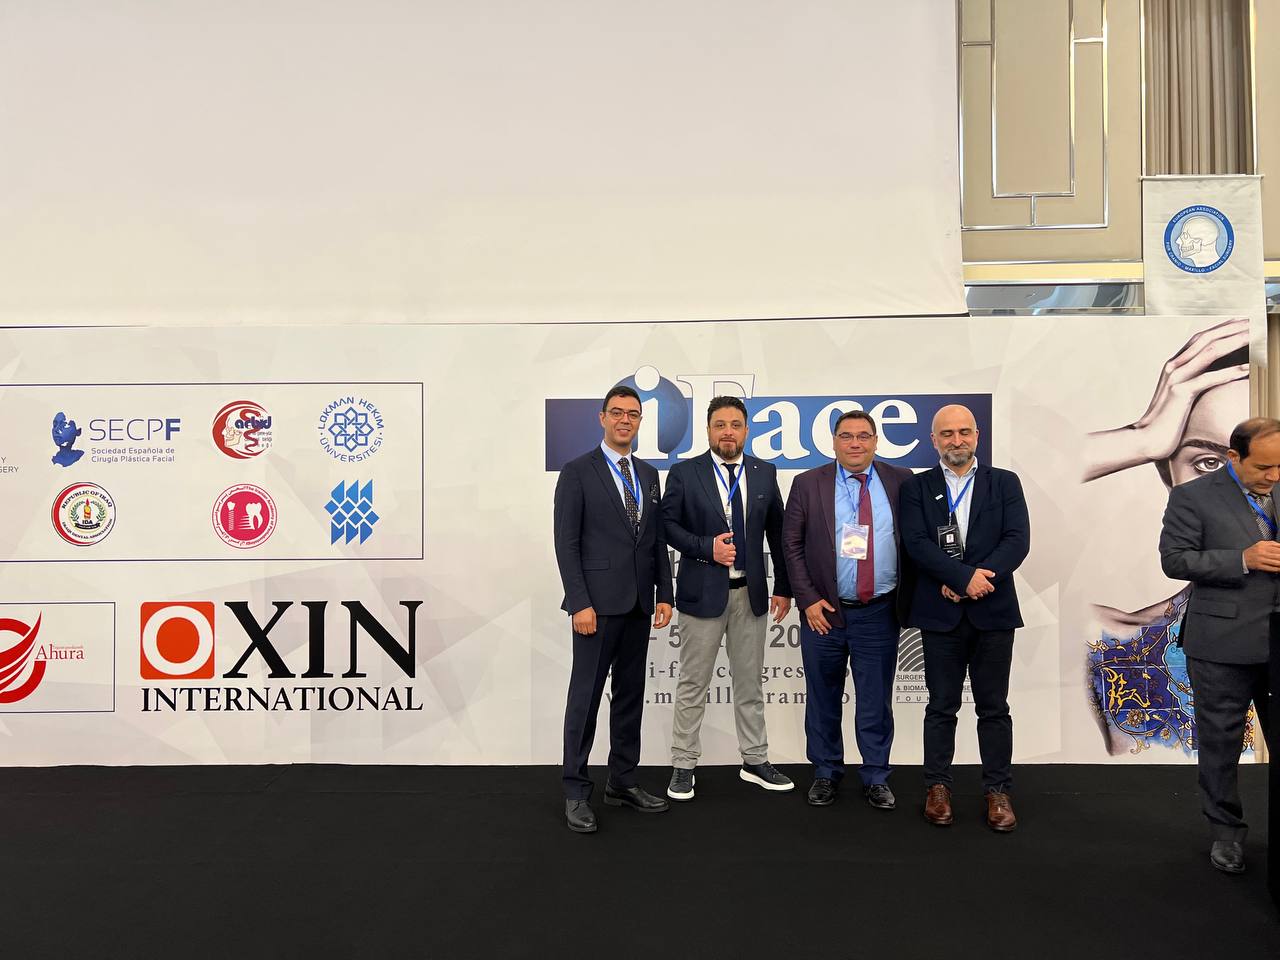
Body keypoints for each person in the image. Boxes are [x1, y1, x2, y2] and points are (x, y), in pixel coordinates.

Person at [1082, 318, 1253, 755]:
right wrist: (1141, 439)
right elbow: (1022, 476)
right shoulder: (1119, 650)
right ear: (1167, 474)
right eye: (1209, 464)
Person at [899, 404, 1030, 832]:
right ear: (933, 440)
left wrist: (976, 579)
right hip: (941, 615)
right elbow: (916, 542)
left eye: (964, 432)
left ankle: (998, 790)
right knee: (941, 706)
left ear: (977, 435)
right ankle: (937, 787)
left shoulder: (1004, 482)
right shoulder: (916, 487)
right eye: (947, 433)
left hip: (993, 612)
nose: (956, 440)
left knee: (994, 708)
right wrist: (959, 578)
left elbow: (1017, 540)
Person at [1158, 416, 1277, 874]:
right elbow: (1175, 560)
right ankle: (1226, 833)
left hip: (1276, 637)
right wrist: (1241, 559)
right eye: (1263, 467)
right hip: (1221, 642)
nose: (1273, 476)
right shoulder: (1192, 497)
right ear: (1233, 457)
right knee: (1221, 743)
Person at [554, 384, 674, 834]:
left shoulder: (648, 474)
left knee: (629, 696)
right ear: (602, 418)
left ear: (640, 421)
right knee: (584, 699)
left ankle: (622, 781)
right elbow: (566, 544)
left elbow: (655, 539)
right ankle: (575, 791)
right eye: (618, 412)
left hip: (640, 604)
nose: (626, 420)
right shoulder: (577, 472)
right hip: (596, 608)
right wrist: (580, 602)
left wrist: (665, 594)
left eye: (633, 414)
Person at [660, 396, 793, 800]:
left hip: (750, 596)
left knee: (750, 685)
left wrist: (784, 586)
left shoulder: (765, 472)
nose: (728, 432)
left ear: (747, 430)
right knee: (693, 684)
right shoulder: (685, 473)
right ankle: (684, 764)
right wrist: (707, 548)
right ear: (708, 430)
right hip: (701, 595)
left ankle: (755, 759)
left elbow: (778, 532)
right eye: (720, 425)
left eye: (736, 424)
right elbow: (667, 525)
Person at [781, 410, 913, 810]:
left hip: (879, 612)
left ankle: (876, 776)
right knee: (823, 697)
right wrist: (808, 599)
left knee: (875, 700)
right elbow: (791, 545)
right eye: (846, 436)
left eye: (863, 436)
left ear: (875, 441)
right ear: (834, 442)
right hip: (824, 613)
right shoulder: (808, 483)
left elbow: (915, 541)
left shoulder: (901, 480)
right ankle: (825, 773)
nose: (855, 443)